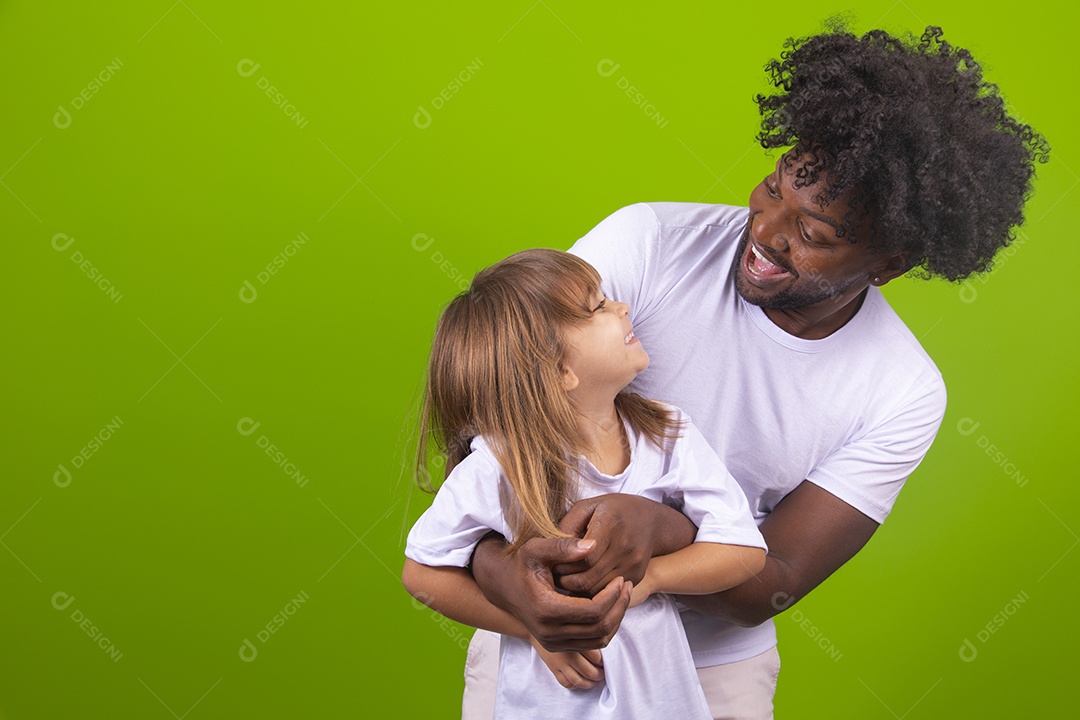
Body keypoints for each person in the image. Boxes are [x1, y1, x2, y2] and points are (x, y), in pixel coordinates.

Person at [464, 22, 1049, 720]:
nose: (767, 232)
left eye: (814, 234)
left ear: (888, 266)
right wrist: (511, 584)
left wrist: (660, 528)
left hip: (712, 679)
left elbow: (772, 584)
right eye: (775, 189)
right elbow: (483, 420)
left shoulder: (901, 392)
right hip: (547, 648)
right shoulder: (647, 244)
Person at [401, 249, 769, 719]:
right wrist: (532, 628)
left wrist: (651, 578)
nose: (623, 308)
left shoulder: (667, 433)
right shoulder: (499, 464)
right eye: (598, 307)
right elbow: (423, 573)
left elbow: (742, 548)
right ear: (559, 372)